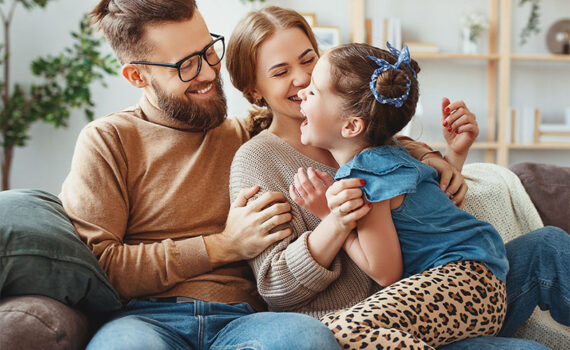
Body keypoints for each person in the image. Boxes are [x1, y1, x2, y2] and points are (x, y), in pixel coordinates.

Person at [226, 6, 568, 350]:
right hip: (363, 327)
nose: (301, 80)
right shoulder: (258, 160)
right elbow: (277, 287)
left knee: (548, 244)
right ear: (253, 89)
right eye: (280, 71)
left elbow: (425, 215)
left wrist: (451, 158)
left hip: (439, 301)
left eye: (308, 60)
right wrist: (334, 221)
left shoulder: (372, 142)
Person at [59, 1, 345, 349]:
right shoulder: (110, 140)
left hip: (244, 320)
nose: (209, 72)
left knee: (309, 338)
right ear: (137, 76)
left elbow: (352, 132)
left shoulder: (248, 136)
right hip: (143, 320)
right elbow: (99, 267)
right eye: (186, 65)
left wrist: (427, 158)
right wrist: (222, 245)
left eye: (209, 51)